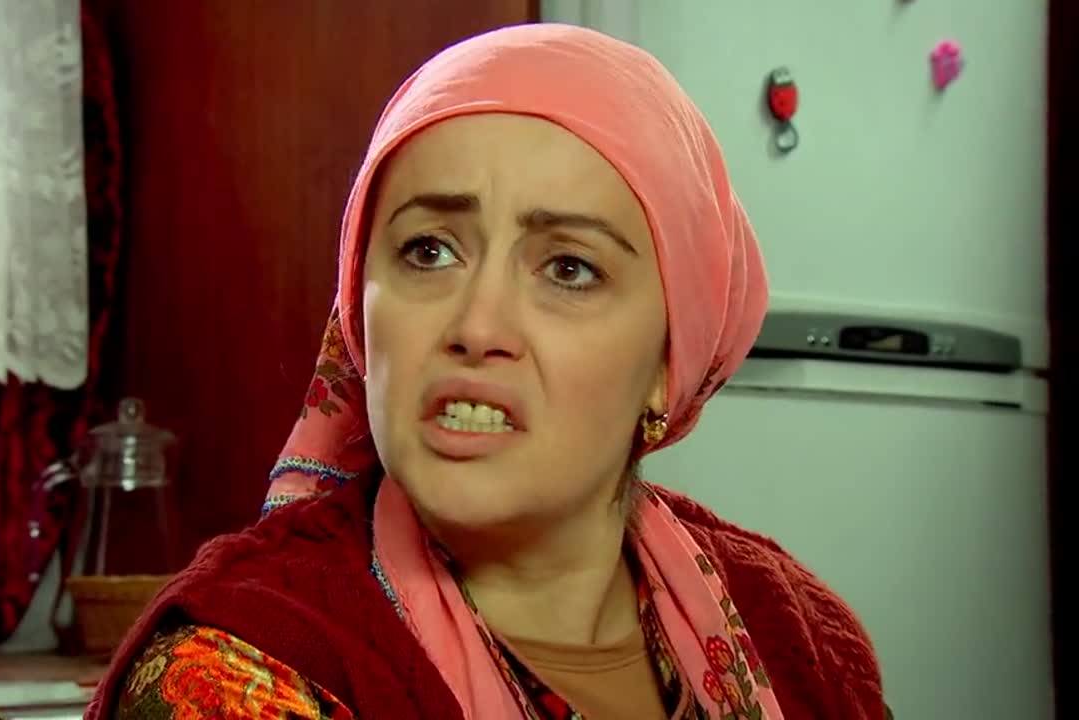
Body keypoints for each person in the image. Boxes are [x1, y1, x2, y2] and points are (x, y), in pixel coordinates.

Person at [87, 23, 885, 720]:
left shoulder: (799, 637)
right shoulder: (233, 674)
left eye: (569, 268)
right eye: (428, 251)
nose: (476, 327)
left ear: (669, 362)